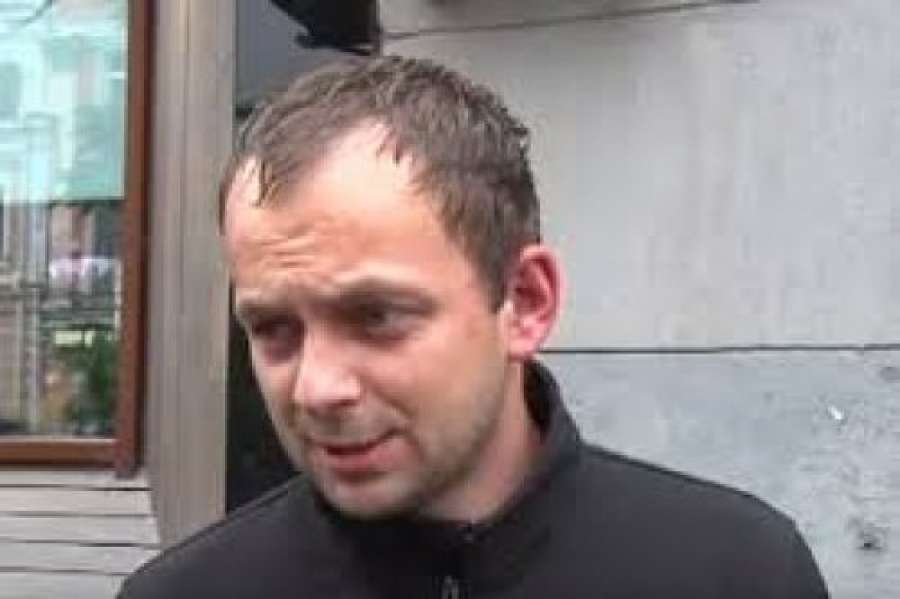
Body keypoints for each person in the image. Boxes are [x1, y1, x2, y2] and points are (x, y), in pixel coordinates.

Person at [119, 55, 829, 598]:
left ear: (526, 302)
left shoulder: (739, 573)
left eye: (376, 317)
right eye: (275, 328)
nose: (317, 387)